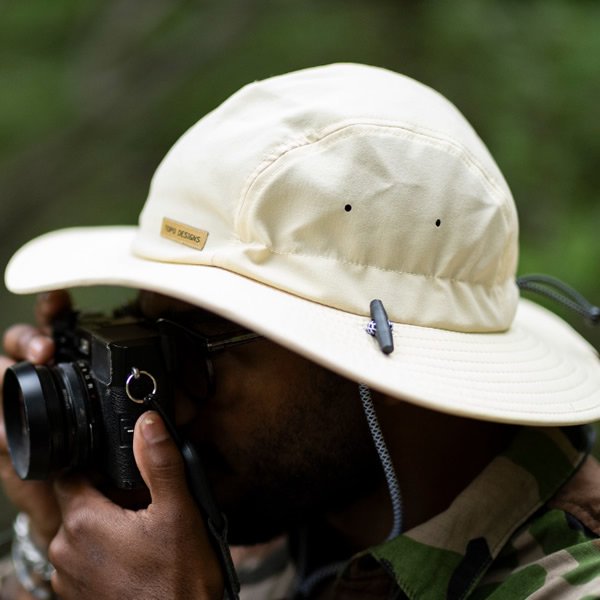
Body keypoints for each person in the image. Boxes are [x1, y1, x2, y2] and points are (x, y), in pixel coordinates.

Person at [0, 63, 600, 600]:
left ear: (382, 364)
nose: (167, 399)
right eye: (140, 329)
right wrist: (52, 536)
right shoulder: (253, 516)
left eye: (192, 348)